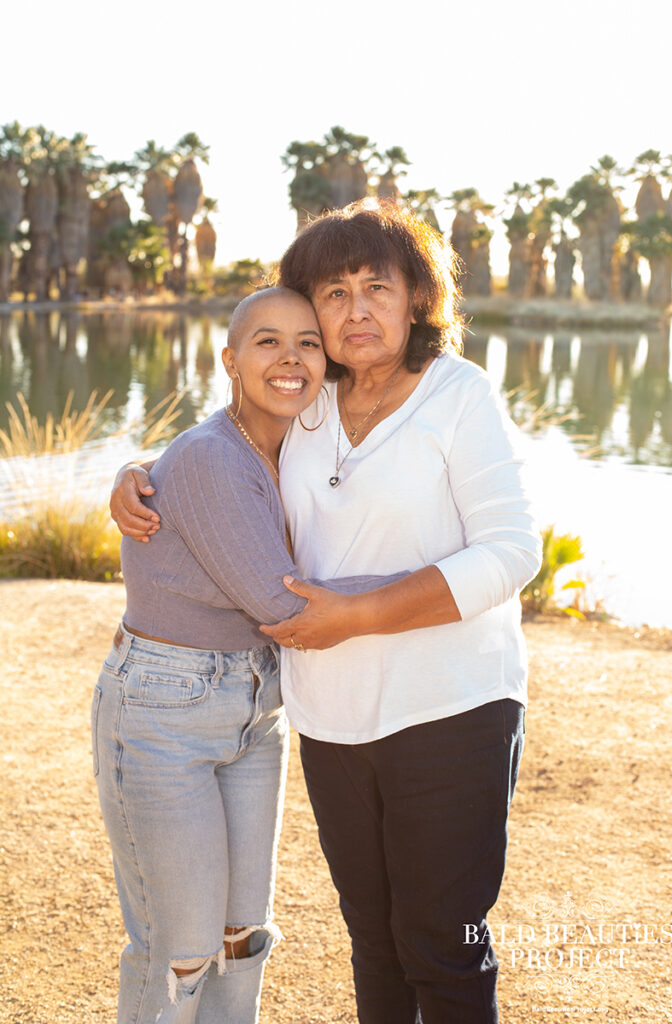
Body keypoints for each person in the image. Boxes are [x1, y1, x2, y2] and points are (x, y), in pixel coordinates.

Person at [111, 200, 542, 1024]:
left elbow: (511, 552)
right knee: (372, 939)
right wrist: (137, 472)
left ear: (416, 298)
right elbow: (220, 454)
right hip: (332, 717)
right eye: (333, 293)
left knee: (442, 944)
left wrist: (360, 613)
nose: (356, 310)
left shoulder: (457, 393)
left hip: (452, 708)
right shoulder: (307, 399)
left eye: (376, 287)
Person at [95, 286, 403, 1024]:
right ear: (230, 360)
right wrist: (443, 582)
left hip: (256, 711)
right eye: (268, 341)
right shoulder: (212, 456)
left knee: (241, 939)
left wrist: (139, 464)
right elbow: (285, 605)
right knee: (182, 950)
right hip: (164, 709)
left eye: (307, 342)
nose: (291, 358)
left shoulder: (300, 450)